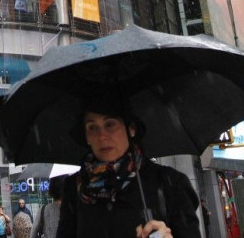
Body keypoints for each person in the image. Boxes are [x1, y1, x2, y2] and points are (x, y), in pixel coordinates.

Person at [57, 99, 201, 238]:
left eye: (110, 124)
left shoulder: (171, 183)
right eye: (92, 127)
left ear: (131, 129)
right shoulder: (74, 187)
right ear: (86, 136)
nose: (102, 136)